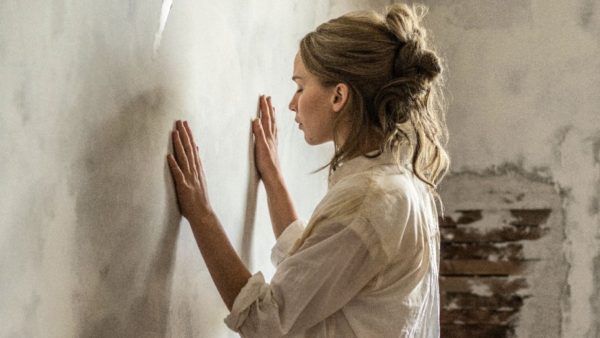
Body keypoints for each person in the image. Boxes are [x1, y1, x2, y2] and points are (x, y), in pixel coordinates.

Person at [166, 3, 449, 337]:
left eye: (301, 86)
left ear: (338, 96)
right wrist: (273, 179)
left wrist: (200, 213)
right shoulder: (401, 186)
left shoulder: (368, 199)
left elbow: (264, 320)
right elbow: (313, 266)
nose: (291, 103)